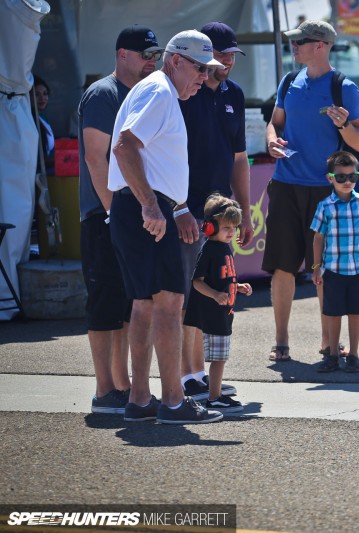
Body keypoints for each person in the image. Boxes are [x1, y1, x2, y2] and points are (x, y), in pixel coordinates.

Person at [107, 29, 225, 424]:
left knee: (145, 304)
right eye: (198, 68)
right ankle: (173, 401)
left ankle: (142, 400)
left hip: (143, 208)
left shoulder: (158, 90)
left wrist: (174, 208)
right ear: (175, 60)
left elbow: (145, 157)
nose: (204, 77)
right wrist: (151, 206)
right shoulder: (159, 92)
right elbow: (125, 145)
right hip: (144, 208)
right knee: (169, 304)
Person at [263, 20, 359, 363]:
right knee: (281, 266)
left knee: (322, 269)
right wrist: (271, 141)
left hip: (325, 192)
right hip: (286, 184)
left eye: (300, 41)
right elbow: (275, 122)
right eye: (293, 41)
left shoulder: (345, 88)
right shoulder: (289, 81)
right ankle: (281, 341)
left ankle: (328, 341)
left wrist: (342, 124)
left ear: (320, 45)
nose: (293, 47)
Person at [79, 25, 163, 415]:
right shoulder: (103, 93)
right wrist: (114, 211)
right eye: (145, 55)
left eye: (155, 56)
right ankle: (103, 391)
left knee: (130, 303)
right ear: (122, 55)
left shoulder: (143, 94)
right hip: (104, 214)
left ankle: (123, 386)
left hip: (130, 214)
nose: (152, 62)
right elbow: (97, 158)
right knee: (104, 304)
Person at [177, 21, 253, 400]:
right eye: (221, 54)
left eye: (231, 55)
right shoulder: (183, 92)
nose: (228, 62)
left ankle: (201, 376)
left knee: (216, 292)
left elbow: (240, 158)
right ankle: (188, 375)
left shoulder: (234, 94)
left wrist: (245, 213)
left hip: (221, 211)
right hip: (186, 207)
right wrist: (176, 207)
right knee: (189, 294)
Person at [183, 193, 252, 413]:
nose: (231, 232)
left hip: (224, 311)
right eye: (226, 228)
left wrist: (237, 287)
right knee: (219, 358)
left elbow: (223, 278)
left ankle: (215, 394)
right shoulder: (210, 250)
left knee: (220, 357)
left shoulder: (225, 248)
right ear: (210, 228)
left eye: (234, 228)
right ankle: (214, 397)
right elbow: (197, 282)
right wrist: (214, 294)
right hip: (213, 313)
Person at [311, 151, 359, 373]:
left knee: (355, 311)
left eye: (352, 176)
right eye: (341, 177)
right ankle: (332, 355)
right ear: (330, 178)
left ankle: (354, 355)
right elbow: (318, 238)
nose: (347, 181)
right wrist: (316, 267)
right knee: (333, 312)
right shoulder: (325, 206)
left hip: (357, 267)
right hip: (334, 269)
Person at [32, 75, 54, 174]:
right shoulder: (29, 120)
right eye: (37, 94)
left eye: (45, 94)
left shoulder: (43, 117)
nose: (42, 98)